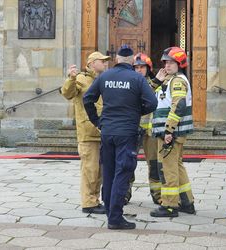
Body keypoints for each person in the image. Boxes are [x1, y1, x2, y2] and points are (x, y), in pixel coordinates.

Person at [83, 45, 157, 230]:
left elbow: (87, 99)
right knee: (123, 172)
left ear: (116, 59)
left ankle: (110, 212)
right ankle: (115, 218)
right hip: (127, 133)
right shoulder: (137, 79)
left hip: (107, 131)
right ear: (132, 61)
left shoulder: (104, 77)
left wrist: (97, 121)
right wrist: (136, 112)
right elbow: (152, 103)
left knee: (108, 172)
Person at [61, 51, 110, 214]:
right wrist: (71, 78)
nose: (105, 63)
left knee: (99, 171)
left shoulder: (103, 79)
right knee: (90, 170)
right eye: (102, 61)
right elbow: (67, 93)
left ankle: (94, 200)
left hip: (103, 131)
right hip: (88, 133)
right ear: (92, 63)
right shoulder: (81, 79)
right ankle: (88, 202)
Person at [149, 47, 195, 217]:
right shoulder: (170, 79)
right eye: (165, 62)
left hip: (170, 133)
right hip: (172, 132)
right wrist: (156, 80)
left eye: (171, 62)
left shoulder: (177, 81)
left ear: (180, 64)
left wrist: (169, 129)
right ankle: (187, 202)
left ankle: (169, 206)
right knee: (177, 166)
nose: (167, 65)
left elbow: (179, 104)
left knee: (167, 169)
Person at [133, 53, 161, 204]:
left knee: (154, 163)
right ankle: (124, 194)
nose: (139, 70)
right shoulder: (130, 83)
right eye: (136, 67)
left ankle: (157, 194)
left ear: (148, 68)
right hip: (133, 130)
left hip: (151, 131)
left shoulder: (158, 83)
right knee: (128, 163)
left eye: (142, 67)